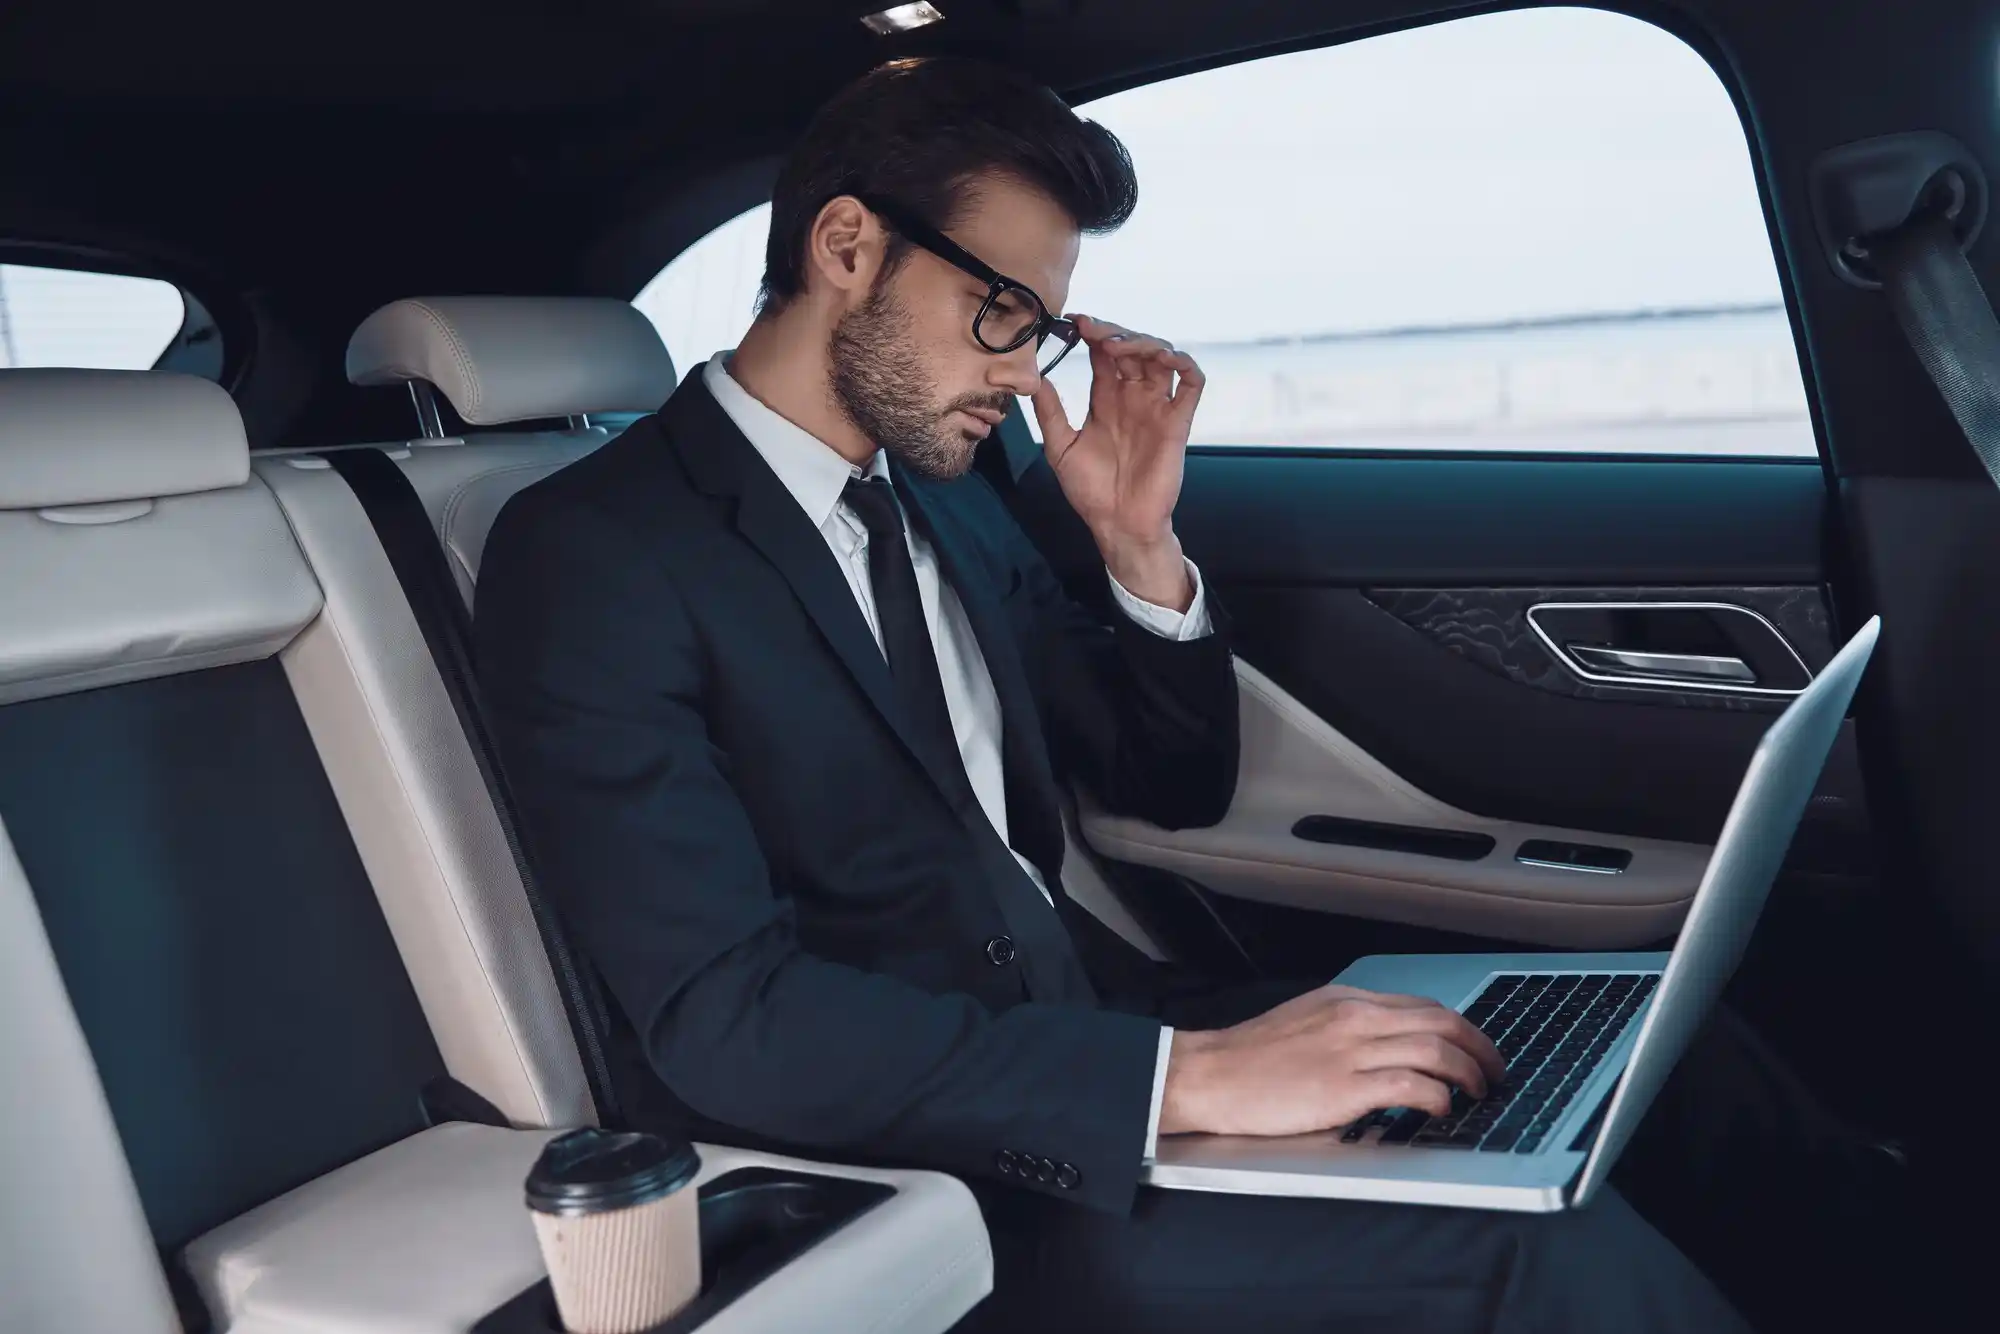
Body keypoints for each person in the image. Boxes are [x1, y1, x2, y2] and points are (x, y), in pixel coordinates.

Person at [477, 56, 1897, 1334]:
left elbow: (1165, 783)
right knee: (1544, 1259)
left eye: (1043, 326)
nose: (1025, 371)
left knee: (1675, 1056)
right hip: (932, 1166)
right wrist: (1181, 1083)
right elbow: (730, 1016)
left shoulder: (950, 498)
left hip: (1110, 1020)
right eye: (999, 314)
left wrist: (1137, 545)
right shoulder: (597, 555)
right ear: (848, 246)